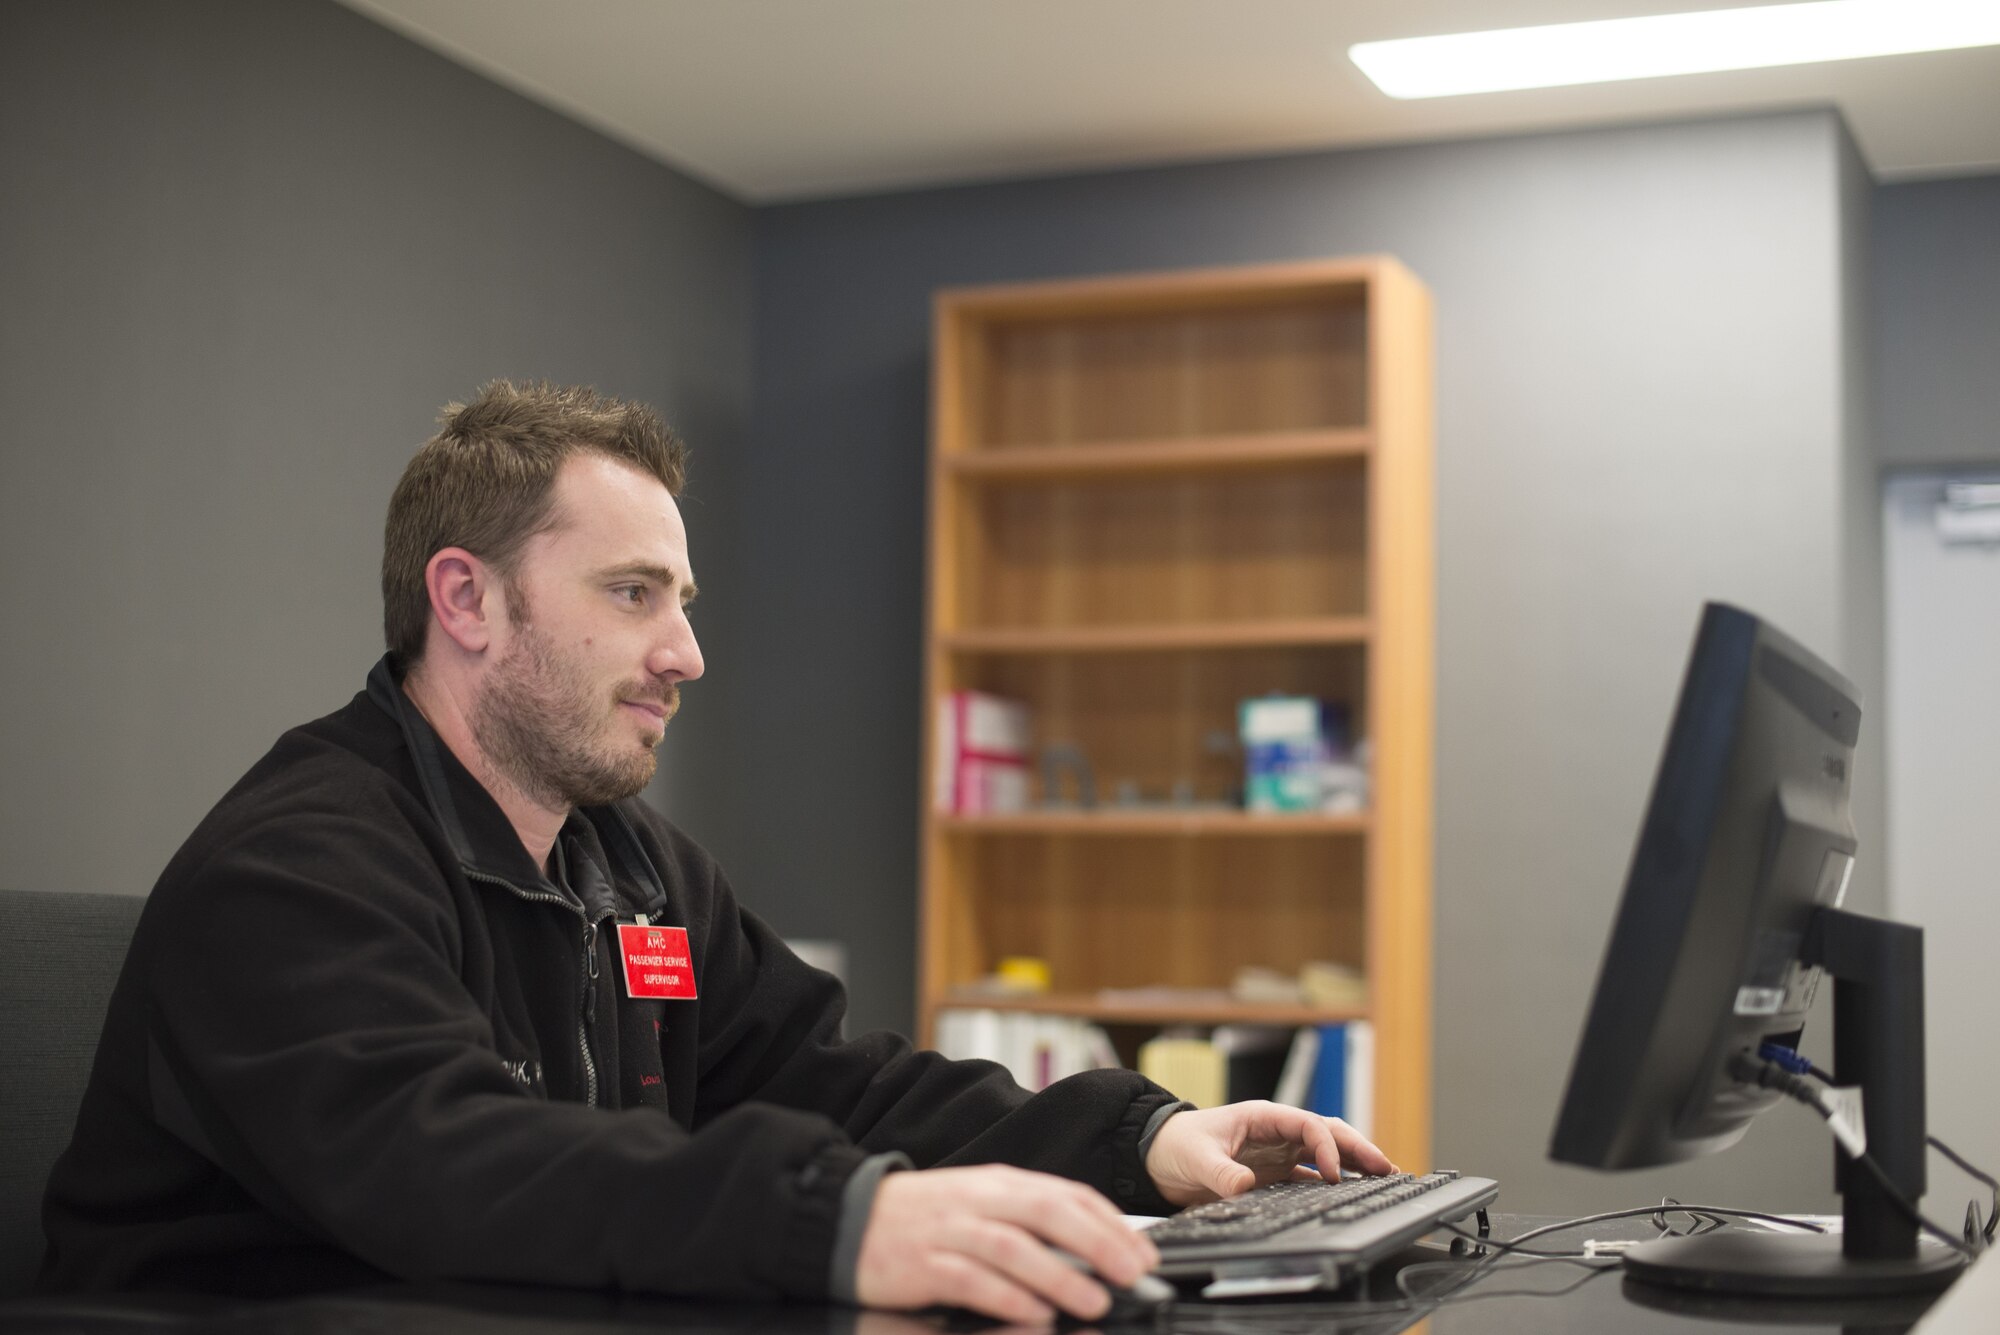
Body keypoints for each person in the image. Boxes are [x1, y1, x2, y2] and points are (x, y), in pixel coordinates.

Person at [40, 381, 1392, 1323]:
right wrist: (839, 1221)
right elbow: (452, 1164)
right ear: (466, 600)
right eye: (633, 594)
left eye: (680, 601)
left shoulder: (631, 871)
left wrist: (1140, 1136)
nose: (685, 654)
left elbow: (830, 1086)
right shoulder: (297, 870)